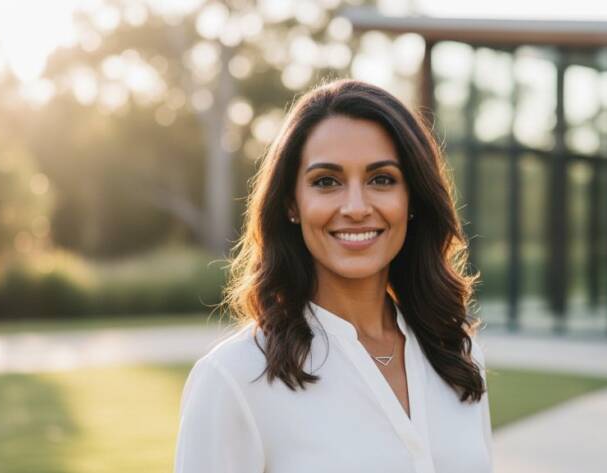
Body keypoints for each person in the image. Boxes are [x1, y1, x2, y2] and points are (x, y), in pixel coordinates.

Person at [174, 79, 493, 473]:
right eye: (327, 181)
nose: (356, 207)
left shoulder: (457, 356)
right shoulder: (235, 378)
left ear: (412, 199)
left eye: (382, 179)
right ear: (292, 203)